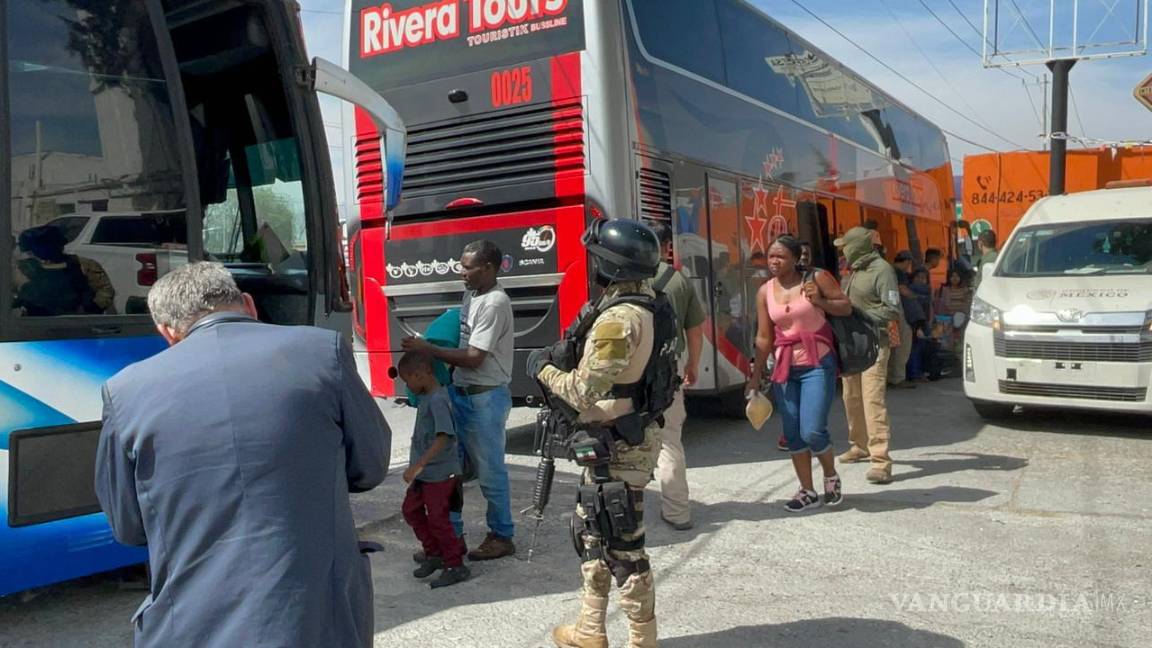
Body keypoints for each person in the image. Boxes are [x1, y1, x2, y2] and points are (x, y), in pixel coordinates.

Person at [94, 262, 389, 648]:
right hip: (317, 621)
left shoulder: (124, 391)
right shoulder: (322, 350)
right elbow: (370, 466)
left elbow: (128, 527)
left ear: (167, 332)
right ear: (248, 304)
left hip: (190, 627)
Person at [532, 218, 666, 648]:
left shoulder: (617, 320)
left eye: (596, 259)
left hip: (620, 447)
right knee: (594, 536)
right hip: (616, 441)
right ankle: (590, 629)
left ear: (612, 266)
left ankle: (643, 639)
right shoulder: (652, 304)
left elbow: (580, 390)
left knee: (624, 548)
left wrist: (542, 369)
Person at [402, 240, 516, 561]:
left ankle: (502, 535)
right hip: (461, 394)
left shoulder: (494, 303)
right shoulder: (472, 296)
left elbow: (474, 357)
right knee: (449, 473)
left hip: (484, 400)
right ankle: (451, 539)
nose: (461, 272)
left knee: (490, 473)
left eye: (468, 267)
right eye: (461, 265)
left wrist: (428, 350)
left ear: (489, 269)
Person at [748, 236, 853, 511]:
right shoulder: (764, 291)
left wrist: (820, 300)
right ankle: (807, 490)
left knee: (813, 429)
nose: (774, 261)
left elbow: (845, 306)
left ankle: (830, 476)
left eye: (780, 257)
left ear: (796, 258)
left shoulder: (817, 279)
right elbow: (763, 336)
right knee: (792, 432)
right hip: (785, 367)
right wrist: (755, 376)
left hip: (818, 363)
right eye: (771, 256)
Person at [645, 221, 705, 531]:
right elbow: (695, 331)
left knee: (625, 439)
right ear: (667, 246)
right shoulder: (678, 281)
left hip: (629, 371)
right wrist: (692, 364)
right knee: (669, 440)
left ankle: (623, 509)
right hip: (668, 367)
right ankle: (678, 511)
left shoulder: (624, 276)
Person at [833, 227, 901, 484]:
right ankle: (859, 445)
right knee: (851, 396)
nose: (842, 251)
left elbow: (892, 310)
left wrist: (859, 315)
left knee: (872, 399)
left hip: (874, 344)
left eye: (845, 247)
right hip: (852, 345)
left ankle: (881, 460)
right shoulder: (854, 270)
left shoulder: (882, 271)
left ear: (857, 247)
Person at [399, 349, 471, 589]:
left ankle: (455, 564)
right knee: (411, 510)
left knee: (439, 519)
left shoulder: (438, 400)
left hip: (439, 473)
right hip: (426, 474)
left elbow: (443, 437)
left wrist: (418, 466)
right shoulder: (426, 398)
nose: (407, 386)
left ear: (420, 375)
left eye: (407, 380)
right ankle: (434, 553)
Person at [887, 250, 917, 388]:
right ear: (906, 262)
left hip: (887, 310)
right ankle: (898, 377)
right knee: (903, 342)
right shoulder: (899, 272)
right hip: (897, 310)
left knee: (891, 344)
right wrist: (916, 297)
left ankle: (890, 375)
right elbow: (903, 290)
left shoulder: (887, 269)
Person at [906, 268, 934, 383]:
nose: (920, 280)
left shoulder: (923, 291)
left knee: (917, 349)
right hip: (918, 323)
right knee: (917, 349)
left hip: (921, 323)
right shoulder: (914, 291)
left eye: (923, 278)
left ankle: (915, 373)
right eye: (918, 277)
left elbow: (930, 307)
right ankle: (916, 374)